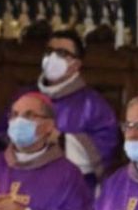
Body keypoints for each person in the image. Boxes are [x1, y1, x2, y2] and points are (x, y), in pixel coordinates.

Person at [36, 29, 119, 181]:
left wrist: (61, 140)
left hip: (72, 183)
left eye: (61, 53)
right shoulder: (26, 97)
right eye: (49, 51)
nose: (52, 57)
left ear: (76, 64)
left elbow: (106, 145)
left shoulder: (93, 105)